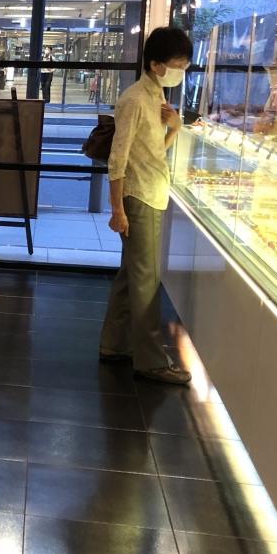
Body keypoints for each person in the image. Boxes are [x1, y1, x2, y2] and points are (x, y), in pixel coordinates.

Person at [99, 26, 193, 385]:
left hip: (151, 192)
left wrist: (175, 128)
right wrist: (117, 210)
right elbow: (118, 158)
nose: (181, 70)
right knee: (146, 281)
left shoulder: (157, 98)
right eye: (178, 64)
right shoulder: (136, 100)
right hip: (139, 198)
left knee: (132, 276)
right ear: (156, 64)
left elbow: (152, 154)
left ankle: (114, 344)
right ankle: (151, 361)